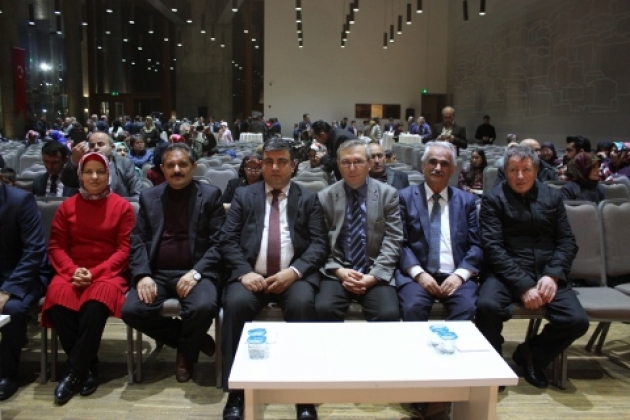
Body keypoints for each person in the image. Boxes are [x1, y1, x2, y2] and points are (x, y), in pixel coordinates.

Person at [220, 138, 328, 420]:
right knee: (235, 306)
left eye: (282, 161)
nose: (275, 167)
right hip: (250, 276)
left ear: (293, 165)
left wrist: (294, 272)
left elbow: (319, 244)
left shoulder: (308, 198)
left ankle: (304, 394)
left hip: (293, 277)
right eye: (269, 161)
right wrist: (244, 272)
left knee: (303, 305)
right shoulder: (244, 196)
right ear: (261, 165)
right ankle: (237, 392)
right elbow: (227, 240)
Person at [476, 145, 589, 389]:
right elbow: (493, 248)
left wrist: (553, 275)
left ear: (536, 171)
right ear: (505, 172)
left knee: (577, 320)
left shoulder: (552, 197)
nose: (520, 176)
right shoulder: (493, 199)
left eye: (526, 169)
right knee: (486, 306)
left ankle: (531, 355)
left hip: (546, 271)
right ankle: (493, 364)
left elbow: (567, 242)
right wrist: (524, 286)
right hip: (505, 272)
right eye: (513, 170)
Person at [121, 143, 224, 383]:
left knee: (203, 307)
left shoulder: (210, 196)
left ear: (194, 167)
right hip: (157, 272)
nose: (176, 169)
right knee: (131, 310)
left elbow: (220, 242)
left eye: (182, 164)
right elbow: (137, 240)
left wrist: (196, 273)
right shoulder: (149, 197)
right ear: (162, 168)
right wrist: (143, 275)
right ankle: (192, 341)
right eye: (170, 165)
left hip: (196, 272)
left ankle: (185, 356)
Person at [42, 152, 135, 404]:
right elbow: (56, 247)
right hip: (72, 271)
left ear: (108, 175)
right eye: (88, 171)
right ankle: (89, 367)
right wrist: (72, 271)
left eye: (100, 171)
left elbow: (124, 250)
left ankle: (74, 372)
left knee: (95, 304)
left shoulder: (122, 207)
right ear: (80, 175)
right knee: (57, 299)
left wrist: (94, 273)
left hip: (108, 273)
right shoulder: (67, 207)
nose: (94, 177)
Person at [315, 139, 402, 322]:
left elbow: (393, 240)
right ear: (338, 165)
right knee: (323, 309)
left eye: (358, 161)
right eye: (346, 162)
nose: (352, 168)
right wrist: (339, 271)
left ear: (369, 163)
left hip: (375, 268)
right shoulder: (325, 197)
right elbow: (320, 242)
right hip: (339, 269)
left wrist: (374, 276)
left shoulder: (388, 194)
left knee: (388, 314)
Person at [0, 184, 49, 400]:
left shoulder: (20, 201)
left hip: (25, 275)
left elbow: (34, 250)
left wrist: (7, 290)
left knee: (12, 309)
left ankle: (7, 375)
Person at [61, 132, 143, 198]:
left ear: (112, 148)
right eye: (92, 145)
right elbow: (67, 181)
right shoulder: (83, 163)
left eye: (100, 144)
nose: (96, 148)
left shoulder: (124, 163)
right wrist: (75, 160)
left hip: (119, 208)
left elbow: (137, 191)